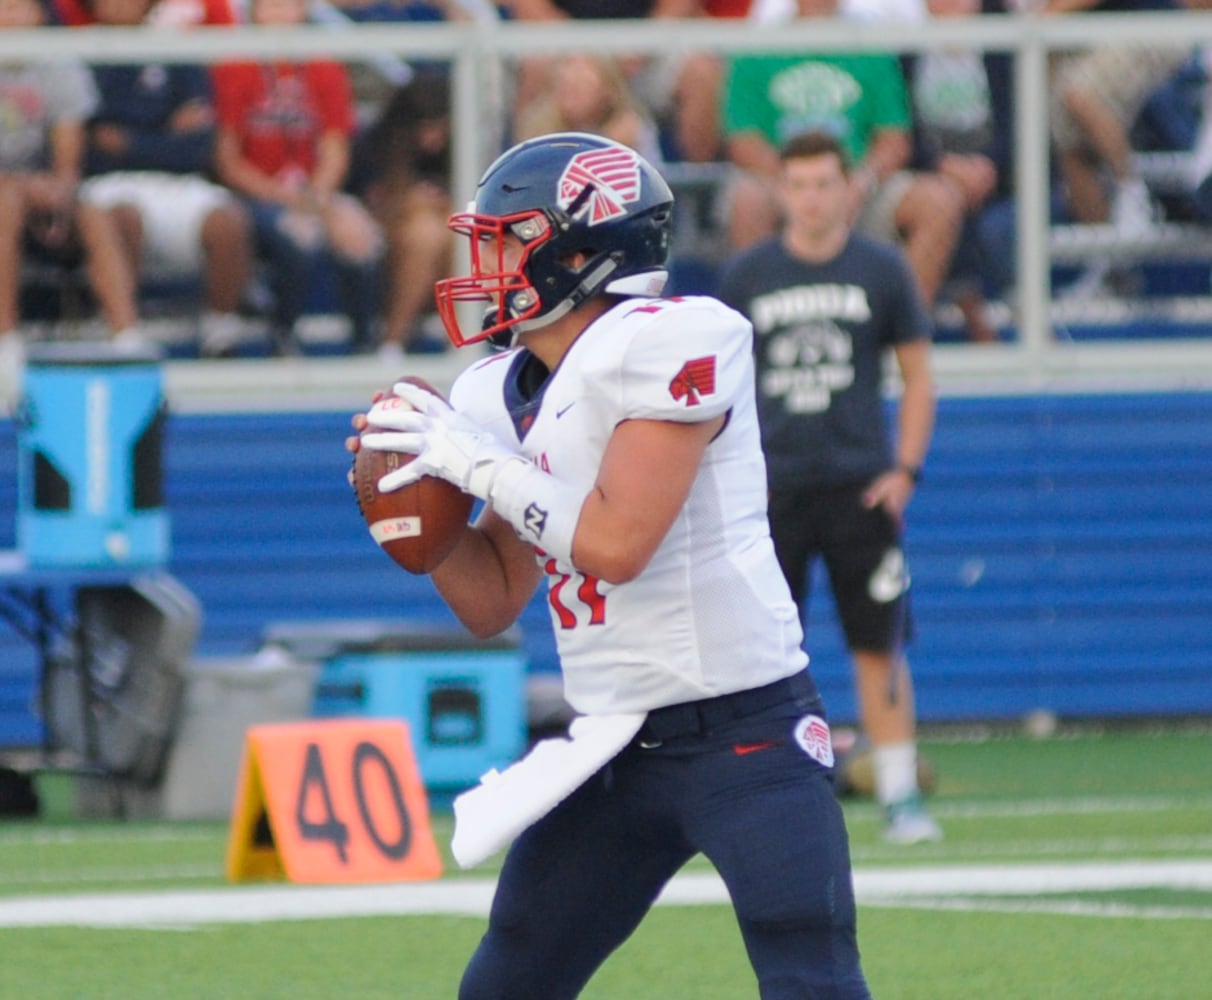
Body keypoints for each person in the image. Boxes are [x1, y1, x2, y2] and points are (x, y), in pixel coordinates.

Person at [350, 132, 872, 998]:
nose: (487, 261)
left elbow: (617, 547)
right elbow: (490, 602)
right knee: (511, 973)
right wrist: (415, 513)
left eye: (509, 239)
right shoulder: (493, 391)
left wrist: (477, 467)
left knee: (808, 971)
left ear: (584, 249)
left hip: (745, 732)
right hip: (615, 741)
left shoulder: (672, 341)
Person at [717, 130, 943, 845]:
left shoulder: (882, 269)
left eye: (824, 183)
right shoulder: (749, 275)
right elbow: (720, 391)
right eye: (799, 184)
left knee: (878, 644)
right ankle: (764, 800)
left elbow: (918, 378)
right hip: (773, 492)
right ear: (780, 191)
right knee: (759, 653)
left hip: (858, 488)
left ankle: (901, 795)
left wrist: (904, 470)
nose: (812, 197)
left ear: (850, 189)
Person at [721, 0, 965, 315]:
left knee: (938, 200)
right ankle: (756, 339)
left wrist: (859, 182)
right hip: (780, 182)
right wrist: (797, 187)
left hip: (857, 181)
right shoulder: (759, 45)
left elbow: (893, 138)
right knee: (747, 200)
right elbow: (742, 139)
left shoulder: (868, 44)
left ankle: (903, 332)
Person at [78, 0, 255, 358]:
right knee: (120, 215)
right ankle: (124, 334)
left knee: (228, 220)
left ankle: (219, 332)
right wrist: (163, 134)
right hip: (110, 183)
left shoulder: (175, 51)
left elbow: (196, 146)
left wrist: (127, 139)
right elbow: (89, 147)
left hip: (177, 182)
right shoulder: (81, 53)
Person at [211, 0, 383, 355]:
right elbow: (228, 162)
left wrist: (317, 194)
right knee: (298, 234)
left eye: (287, 5)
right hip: (256, 192)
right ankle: (282, 337)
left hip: (312, 189)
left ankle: (365, 343)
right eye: (269, 6)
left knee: (358, 234)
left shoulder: (323, 67)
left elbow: (335, 149)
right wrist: (283, 196)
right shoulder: (234, 67)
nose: (278, 14)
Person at [0, 0, 147, 398]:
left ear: (38, 15)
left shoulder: (56, 61)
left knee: (94, 210)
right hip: (9, 195)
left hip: (39, 190)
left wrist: (58, 188)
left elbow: (68, 156)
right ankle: (5, 337)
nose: (10, 17)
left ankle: (124, 333)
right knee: (5, 202)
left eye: (19, 8)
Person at [1040, 0, 1191, 298]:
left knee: (1080, 95)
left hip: (1154, 24)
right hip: (1090, 36)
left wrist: (1047, 16)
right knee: (1066, 138)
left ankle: (1135, 196)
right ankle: (1109, 267)